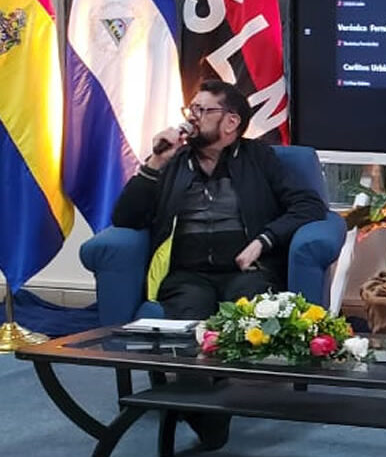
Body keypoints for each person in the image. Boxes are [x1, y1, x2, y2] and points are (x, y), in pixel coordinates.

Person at [112, 79, 327, 321]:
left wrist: (264, 240)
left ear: (231, 122)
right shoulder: (173, 161)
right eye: (191, 109)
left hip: (247, 272)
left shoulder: (259, 158)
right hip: (188, 275)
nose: (193, 117)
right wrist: (155, 163)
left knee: (248, 318)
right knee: (188, 321)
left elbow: (309, 205)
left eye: (203, 110)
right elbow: (125, 218)